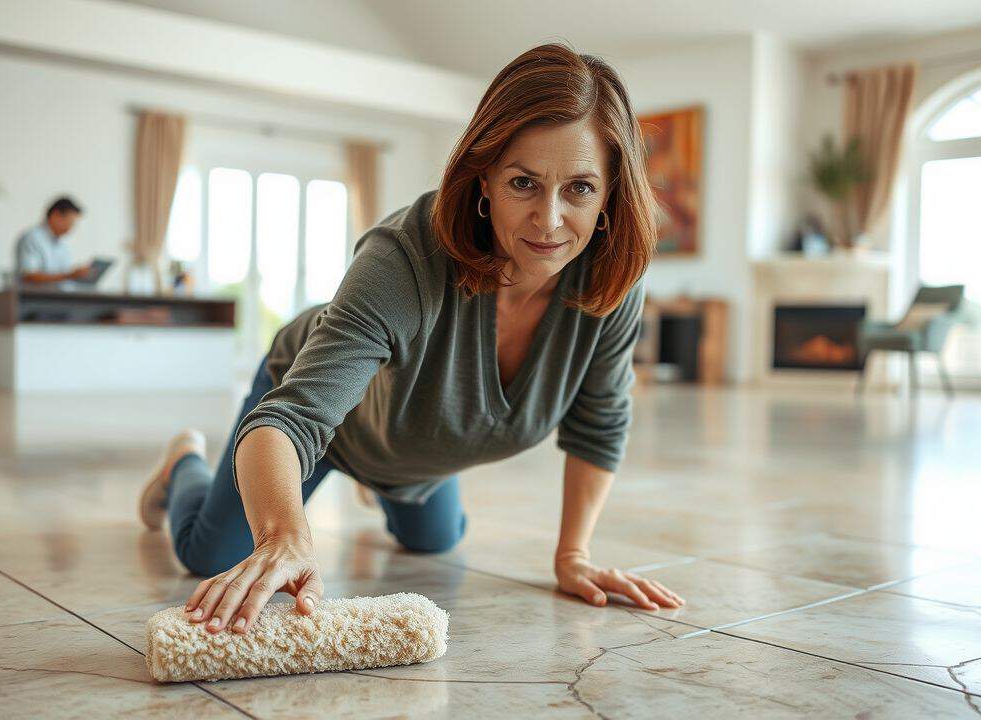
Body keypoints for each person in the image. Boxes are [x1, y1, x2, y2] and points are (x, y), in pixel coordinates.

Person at [137, 43, 686, 637]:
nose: (549, 220)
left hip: (413, 440)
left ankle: (386, 486)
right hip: (322, 418)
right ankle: (182, 464)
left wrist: (572, 556)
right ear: (484, 181)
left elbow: (599, 425)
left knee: (436, 543)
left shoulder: (610, 282)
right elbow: (292, 418)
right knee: (209, 553)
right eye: (524, 183)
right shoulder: (404, 256)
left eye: (580, 188)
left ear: (609, 195)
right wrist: (285, 538)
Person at [14, 196, 91, 285]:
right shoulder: (32, 238)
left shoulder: (62, 245)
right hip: (34, 297)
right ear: (56, 215)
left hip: (57, 296)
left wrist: (78, 276)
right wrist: (69, 275)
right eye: (70, 222)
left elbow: (64, 276)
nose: (71, 227)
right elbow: (29, 275)